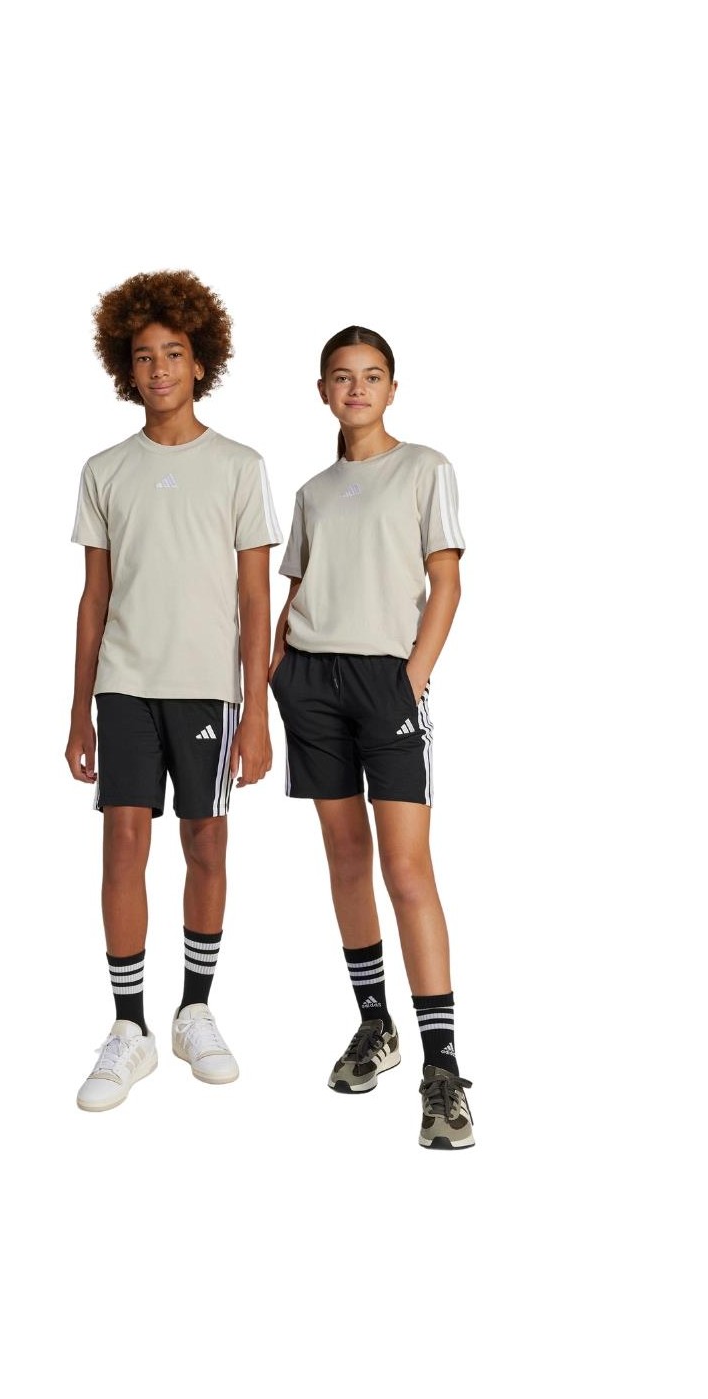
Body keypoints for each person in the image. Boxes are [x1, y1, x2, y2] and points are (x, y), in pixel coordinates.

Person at [66, 270, 281, 1112]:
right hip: (124, 684)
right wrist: (78, 710)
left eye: (173, 353)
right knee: (123, 841)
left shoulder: (238, 466)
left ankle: (195, 1011)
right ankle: (130, 1027)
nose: (158, 369)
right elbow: (93, 597)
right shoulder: (105, 469)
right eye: (143, 356)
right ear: (126, 368)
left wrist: (255, 714)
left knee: (206, 843)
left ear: (200, 363)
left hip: (207, 692)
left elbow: (256, 599)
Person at [270, 325, 474, 1149]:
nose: (356, 388)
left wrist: (411, 678)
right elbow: (295, 590)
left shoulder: (424, 468)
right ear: (322, 391)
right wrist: (276, 674)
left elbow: (446, 580)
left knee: (406, 867)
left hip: (386, 679)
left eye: (372, 375)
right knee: (346, 858)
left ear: (392, 388)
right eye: (341, 376)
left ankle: (441, 1067)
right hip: (309, 682)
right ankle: (373, 1024)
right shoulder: (313, 491)